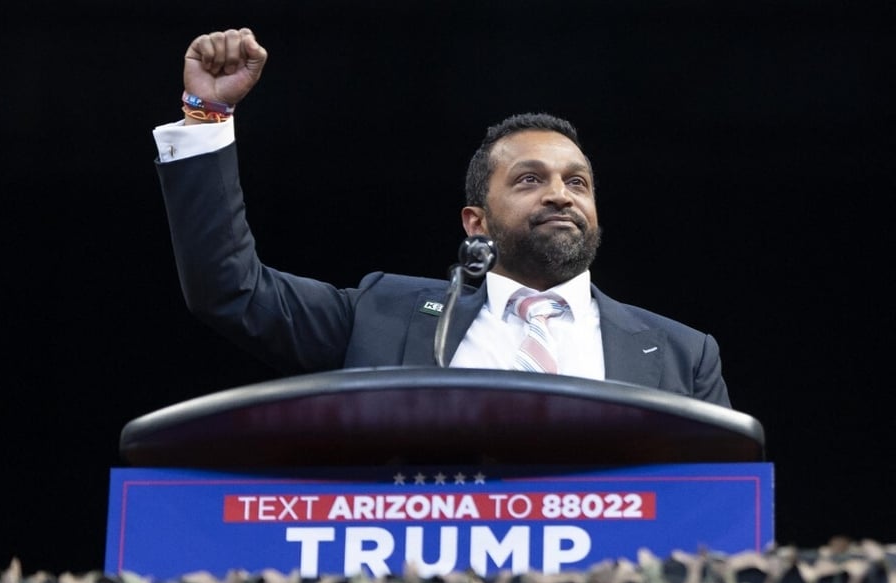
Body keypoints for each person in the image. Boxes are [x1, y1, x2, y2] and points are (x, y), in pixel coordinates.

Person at [152, 27, 732, 408]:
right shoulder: (381, 316)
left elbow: (723, 503)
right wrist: (207, 115)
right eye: (529, 179)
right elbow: (230, 288)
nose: (560, 194)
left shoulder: (681, 354)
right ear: (474, 222)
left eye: (576, 182)